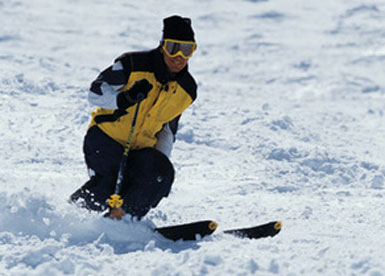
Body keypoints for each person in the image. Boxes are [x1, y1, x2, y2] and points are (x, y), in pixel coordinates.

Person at [70, 15, 197, 220]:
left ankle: (122, 218)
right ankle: (71, 217)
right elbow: (95, 92)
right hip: (105, 138)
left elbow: (167, 131)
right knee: (109, 183)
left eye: (188, 49)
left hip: (139, 149)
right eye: (174, 48)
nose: (179, 56)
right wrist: (124, 99)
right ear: (163, 45)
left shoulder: (187, 90)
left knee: (160, 175)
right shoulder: (133, 64)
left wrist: (158, 170)